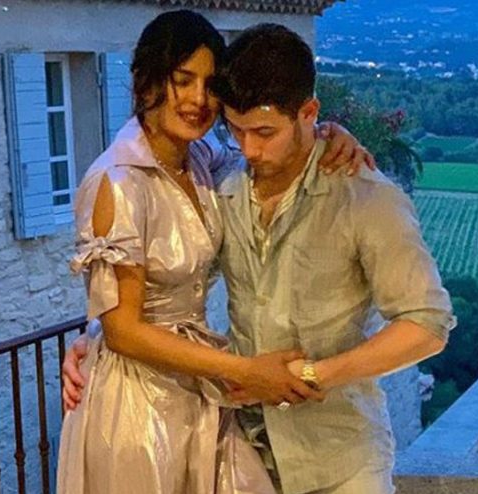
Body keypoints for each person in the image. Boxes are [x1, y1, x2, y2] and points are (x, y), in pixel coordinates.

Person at [56, 11, 372, 494]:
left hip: (198, 384)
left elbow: (270, 155)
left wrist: (327, 133)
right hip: (138, 407)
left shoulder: (201, 161)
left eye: (209, 85)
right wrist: (245, 371)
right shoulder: (118, 182)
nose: (199, 100)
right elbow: (122, 331)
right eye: (183, 80)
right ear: (145, 81)